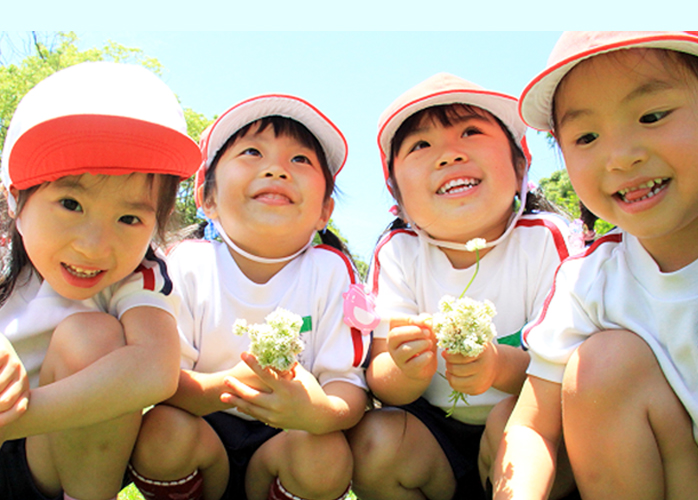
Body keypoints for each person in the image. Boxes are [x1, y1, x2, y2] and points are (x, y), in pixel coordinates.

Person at [129, 94, 370, 500]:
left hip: (290, 436)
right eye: (252, 152)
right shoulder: (187, 262)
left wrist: (317, 413)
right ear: (207, 200)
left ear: (325, 211)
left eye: (301, 161)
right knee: (163, 431)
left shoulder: (332, 272)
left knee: (326, 453)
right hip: (203, 428)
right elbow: (163, 381)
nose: (276, 169)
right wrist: (230, 387)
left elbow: (348, 389)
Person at [492, 31, 698, 500]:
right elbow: (531, 428)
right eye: (586, 136)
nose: (621, 156)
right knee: (600, 367)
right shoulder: (590, 279)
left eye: (652, 116)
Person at [347, 72, 571, 500]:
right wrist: (406, 368)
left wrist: (496, 367)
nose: (449, 155)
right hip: (434, 440)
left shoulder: (546, 240)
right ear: (397, 193)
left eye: (471, 131)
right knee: (376, 439)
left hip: (532, 427)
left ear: (520, 164)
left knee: (510, 416)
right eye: (420, 146)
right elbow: (381, 379)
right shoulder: (398, 252)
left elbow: (566, 372)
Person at [0, 61, 201, 500]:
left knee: (90, 336)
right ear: (15, 198)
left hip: (49, 455)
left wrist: (17, 417)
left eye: (129, 218)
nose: (94, 246)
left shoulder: (138, 274)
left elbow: (155, 370)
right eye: (71, 204)